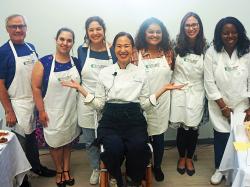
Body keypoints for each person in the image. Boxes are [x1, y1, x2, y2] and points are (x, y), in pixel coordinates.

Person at [62, 32, 184, 187]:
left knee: (139, 147)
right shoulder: (105, 73)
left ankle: (133, 179)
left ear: (132, 49)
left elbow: (144, 105)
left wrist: (163, 90)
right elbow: (99, 105)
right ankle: (117, 179)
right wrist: (81, 89)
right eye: (119, 46)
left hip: (135, 120)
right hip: (110, 121)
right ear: (115, 50)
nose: (123, 50)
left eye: (127, 46)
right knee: (113, 148)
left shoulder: (141, 72)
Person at [0, 14, 55, 187]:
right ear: (7, 29)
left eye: (21, 26)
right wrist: (8, 110)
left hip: (33, 101)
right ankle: (21, 180)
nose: (18, 30)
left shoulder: (31, 47)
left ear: (26, 28)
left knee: (32, 140)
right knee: (20, 144)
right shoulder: (3, 52)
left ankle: (36, 166)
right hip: (17, 104)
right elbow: (0, 85)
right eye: (13, 26)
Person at [32, 28, 81, 187]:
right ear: (56, 40)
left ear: (73, 43)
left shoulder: (76, 62)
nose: (65, 43)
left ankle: (66, 169)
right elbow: (36, 88)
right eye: (62, 39)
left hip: (71, 110)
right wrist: (41, 111)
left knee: (68, 141)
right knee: (55, 143)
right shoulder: (44, 62)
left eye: (69, 40)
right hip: (51, 111)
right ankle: (59, 170)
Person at [204, 17, 250, 185]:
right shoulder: (212, 52)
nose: (230, 35)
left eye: (233, 32)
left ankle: (241, 168)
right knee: (222, 137)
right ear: (219, 34)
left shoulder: (247, 51)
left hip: (242, 104)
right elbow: (209, 82)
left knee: (242, 139)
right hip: (219, 104)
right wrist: (223, 107)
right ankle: (220, 169)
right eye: (225, 33)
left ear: (239, 33)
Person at [77, 16, 117, 185]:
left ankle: (112, 172)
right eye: (91, 29)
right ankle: (96, 168)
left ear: (104, 30)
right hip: (86, 101)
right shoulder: (81, 50)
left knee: (111, 140)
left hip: (108, 101)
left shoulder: (113, 50)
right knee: (89, 141)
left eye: (98, 29)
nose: (95, 32)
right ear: (87, 32)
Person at [134, 17, 173, 181]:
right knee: (142, 137)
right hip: (141, 102)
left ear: (162, 34)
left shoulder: (168, 53)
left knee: (158, 138)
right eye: (151, 31)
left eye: (158, 32)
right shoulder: (136, 53)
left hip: (162, 102)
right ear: (144, 33)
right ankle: (144, 166)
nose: (154, 35)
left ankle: (157, 166)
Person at [169, 12, 207, 176]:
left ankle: (190, 157)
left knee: (193, 128)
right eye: (188, 25)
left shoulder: (207, 47)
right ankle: (181, 157)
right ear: (183, 27)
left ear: (199, 26)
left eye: (194, 25)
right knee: (181, 128)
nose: (191, 28)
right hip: (179, 90)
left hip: (197, 91)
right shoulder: (174, 45)